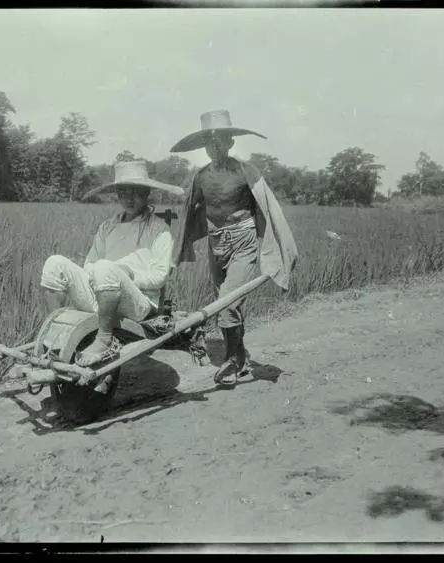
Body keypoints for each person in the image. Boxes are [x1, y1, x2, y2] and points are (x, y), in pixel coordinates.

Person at [170, 110, 298, 386]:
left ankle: (229, 361)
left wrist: (280, 249)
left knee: (226, 301)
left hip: (244, 241)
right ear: (204, 146)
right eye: (210, 141)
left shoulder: (245, 172)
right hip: (216, 245)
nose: (216, 146)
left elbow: (268, 206)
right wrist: (174, 249)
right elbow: (187, 210)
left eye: (221, 139)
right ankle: (240, 359)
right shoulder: (200, 177)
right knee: (228, 304)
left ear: (231, 143)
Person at [40, 160, 184, 393]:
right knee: (55, 263)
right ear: (117, 194)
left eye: (135, 192)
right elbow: (89, 262)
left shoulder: (159, 229)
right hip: (104, 294)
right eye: (123, 192)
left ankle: (104, 337)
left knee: (106, 267)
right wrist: (97, 277)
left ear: (146, 193)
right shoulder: (107, 227)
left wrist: (128, 275)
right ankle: (54, 335)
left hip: (138, 304)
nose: (129, 198)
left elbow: (159, 277)